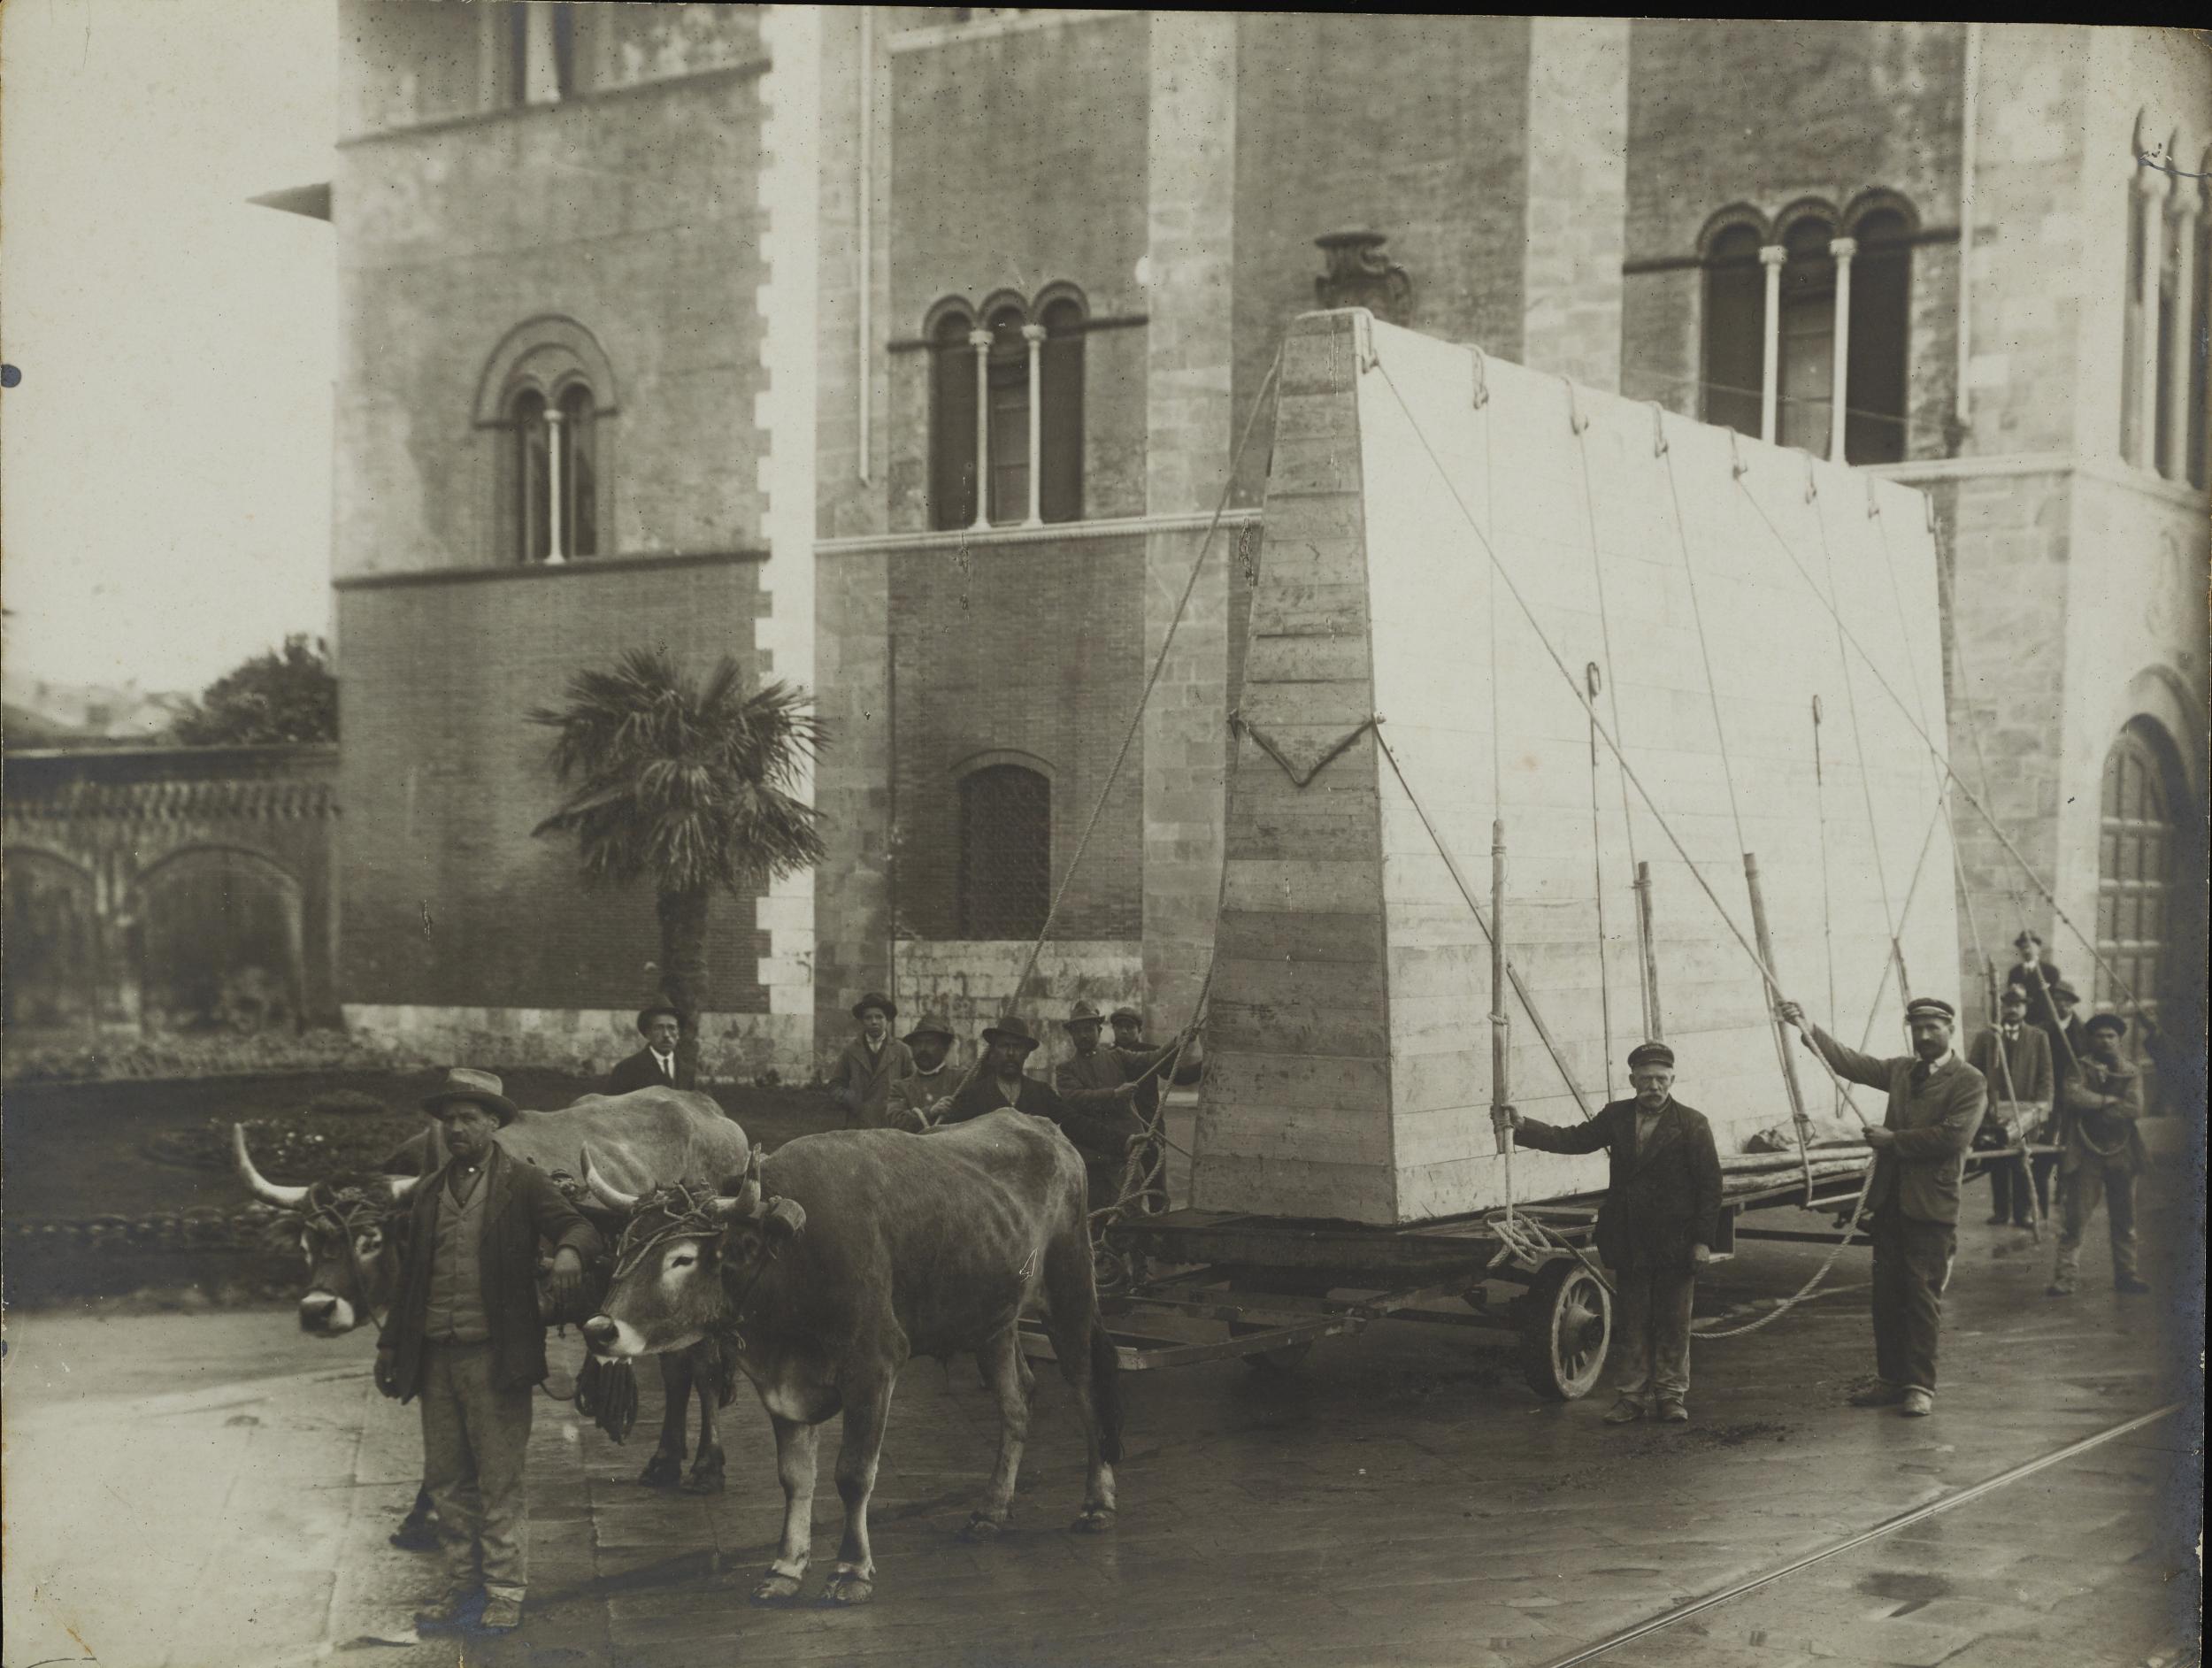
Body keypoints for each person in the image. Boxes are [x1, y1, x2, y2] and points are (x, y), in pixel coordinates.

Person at [375, 1069, 601, 1635]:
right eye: (448, 1119)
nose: (455, 1128)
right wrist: (388, 1346)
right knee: (448, 1480)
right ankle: (462, 1588)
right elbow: (408, 1285)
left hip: (495, 1360)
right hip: (434, 1359)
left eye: (468, 1118)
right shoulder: (428, 1193)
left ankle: (504, 1590)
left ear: (493, 1122)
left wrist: (570, 1250)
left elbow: (580, 1226)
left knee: (500, 1478)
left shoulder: (522, 1183)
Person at [1778, 995, 1985, 1418]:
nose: (1925, 1035)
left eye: (1933, 1027)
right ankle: (1891, 1380)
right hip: (1889, 1204)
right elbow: (1849, 1064)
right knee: (1886, 1298)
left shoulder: (1969, 1081)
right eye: (1918, 1028)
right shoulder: (1900, 1071)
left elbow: (1954, 1137)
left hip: (1931, 1207)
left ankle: (1920, 1387)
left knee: (1922, 1298)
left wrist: (1895, 1141)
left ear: (1950, 1030)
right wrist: (1807, 1025)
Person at [1503, 1042, 1722, 1425]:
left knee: (1674, 1322)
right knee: (1633, 1320)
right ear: (1632, 1080)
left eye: (1661, 1079)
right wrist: (1523, 1128)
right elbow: (1572, 1139)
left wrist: (1703, 1241)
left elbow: (1710, 1187)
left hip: (1677, 1240)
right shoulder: (1616, 1117)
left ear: (1673, 1079)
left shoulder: (1693, 1123)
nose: (1654, 1086)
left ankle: (1671, 1396)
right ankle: (1631, 1397)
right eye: (1646, 1079)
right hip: (1631, 1238)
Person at [934, 1015, 1143, 1204]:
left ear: (1026, 1053)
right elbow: (947, 1137)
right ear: (993, 1052)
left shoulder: (1041, 1093)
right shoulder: (973, 1095)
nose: (1010, 1053)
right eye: (1004, 1046)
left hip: (1034, 1195)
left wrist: (1123, 1141)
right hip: (989, 1194)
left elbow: (1076, 1123)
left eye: (1017, 1047)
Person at [2047, 1013, 2151, 1297]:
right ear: (2090, 1039)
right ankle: (2065, 1278)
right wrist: (2107, 1100)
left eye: (2110, 1036)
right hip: (2085, 1153)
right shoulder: (2078, 1067)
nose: (2104, 1041)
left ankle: (2127, 1274)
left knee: (2125, 1217)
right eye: (2099, 1036)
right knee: (2075, 1218)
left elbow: (2134, 1108)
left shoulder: (2131, 1071)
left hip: (2123, 1151)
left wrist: (2099, 1112)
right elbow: (2072, 1096)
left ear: (2119, 1039)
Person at [1966, 986, 2054, 1230]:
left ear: (2026, 1008)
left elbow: (2046, 1074)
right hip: (1994, 1109)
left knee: (2023, 1160)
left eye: (2018, 1005)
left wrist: (2042, 1106)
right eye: (2009, 1005)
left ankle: (2022, 1212)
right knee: (1998, 1160)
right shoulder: (1987, 1037)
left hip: (2025, 1110)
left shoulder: (2038, 1037)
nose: (2013, 1010)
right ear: (2001, 1007)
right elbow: (1973, 1071)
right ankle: (2001, 1211)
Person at [829, 993, 915, 1129]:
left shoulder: (901, 1050)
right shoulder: (850, 1050)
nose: (874, 1022)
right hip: (859, 1121)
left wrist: (899, 1106)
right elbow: (835, 1085)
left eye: (879, 1017)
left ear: (887, 1019)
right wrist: (850, 1098)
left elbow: (913, 1084)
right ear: (862, 1021)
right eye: (868, 1017)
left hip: (890, 1123)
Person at [885, 1012, 958, 1131]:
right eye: (918, 1043)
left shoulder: (960, 1079)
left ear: (944, 1048)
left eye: (930, 1043)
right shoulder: (900, 1087)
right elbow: (896, 1121)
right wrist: (931, 1111)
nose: (923, 1049)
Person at [605, 1004, 690, 1095]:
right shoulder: (626, 1069)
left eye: (671, 1028)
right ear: (648, 1033)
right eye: (658, 1028)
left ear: (678, 1033)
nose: (666, 1034)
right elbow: (612, 1106)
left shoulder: (687, 1070)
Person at [2005, 932, 2069, 1035]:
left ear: (2038, 949)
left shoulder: (2050, 971)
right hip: (2021, 1022)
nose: (2027, 950)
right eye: (2023, 947)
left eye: (2030, 946)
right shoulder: (2014, 973)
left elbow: (2054, 998)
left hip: (2043, 1022)